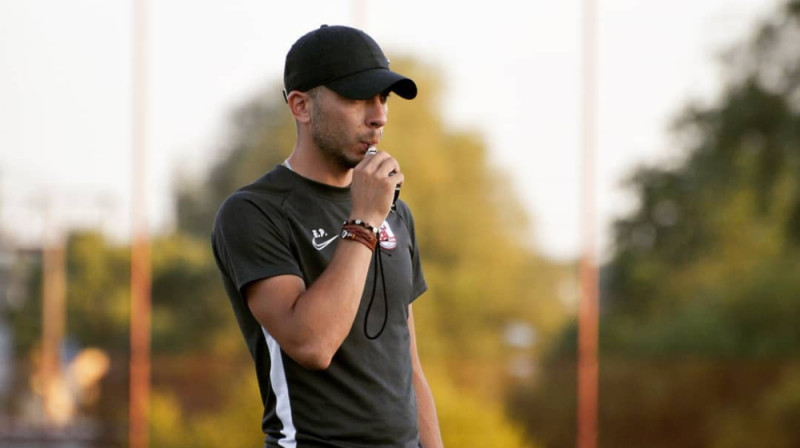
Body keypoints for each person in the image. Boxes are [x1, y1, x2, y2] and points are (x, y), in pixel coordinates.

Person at [211, 25, 443, 448]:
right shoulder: (253, 212)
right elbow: (312, 343)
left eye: (383, 98)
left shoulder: (395, 211)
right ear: (301, 106)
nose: (379, 116)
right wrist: (364, 221)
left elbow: (407, 364)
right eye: (357, 98)